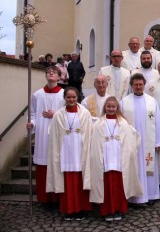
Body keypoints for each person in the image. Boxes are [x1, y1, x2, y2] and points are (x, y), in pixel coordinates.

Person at [87, 97, 143, 221]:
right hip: (105, 159)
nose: (111, 109)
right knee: (106, 186)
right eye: (109, 107)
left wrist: (129, 151)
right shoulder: (98, 124)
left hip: (119, 159)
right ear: (105, 108)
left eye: (113, 107)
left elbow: (134, 137)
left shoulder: (123, 123)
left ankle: (119, 209)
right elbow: (94, 141)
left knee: (119, 186)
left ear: (117, 108)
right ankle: (107, 211)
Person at [120, 73, 160, 205]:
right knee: (133, 169)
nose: (138, 87)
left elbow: (157, 121)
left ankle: (151, 195)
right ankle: (133, 196)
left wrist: (158, 141)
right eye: (136, 84)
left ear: (144, 85)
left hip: (149, 143)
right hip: (132, 143)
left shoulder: (152, 101)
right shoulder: (124, 102)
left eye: (141, 84)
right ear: (131, 86)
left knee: (149, 169)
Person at [47, 87, 93, 220]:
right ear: (65, 98)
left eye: (74, 97)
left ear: (77, 97)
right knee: (67, 182)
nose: (71, 99)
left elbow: (89, 132)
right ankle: (69, 209)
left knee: (80, 181)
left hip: (80, 150)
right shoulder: (58, 115)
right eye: (69, 97)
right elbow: (54, 135)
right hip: (65, 151)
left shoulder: (85, 114)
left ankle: (81, 209)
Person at [26, 66, 65, 204]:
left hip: (58, 134)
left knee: (57, 165)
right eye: (48, 72)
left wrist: (55, 114)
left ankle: (57, 197)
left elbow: (68, 114)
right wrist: (31, 123)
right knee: (43, 166)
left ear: (59, 77)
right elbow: (33, 114)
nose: (51, 73)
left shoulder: (64, 94)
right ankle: (45, 198)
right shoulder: (37, 95)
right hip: (42, 135)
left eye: (54, 72)